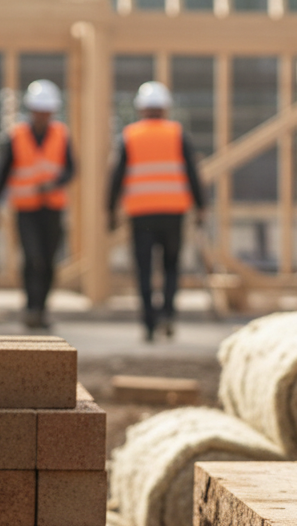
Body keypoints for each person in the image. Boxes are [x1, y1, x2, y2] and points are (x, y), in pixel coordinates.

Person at [107, 81, 206, 343]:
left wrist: (110, 211)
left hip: (141, 214)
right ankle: (168, 315)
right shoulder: (177, 133)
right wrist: (201, 206)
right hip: (173, 211)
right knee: (171, 266)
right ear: (165, 108)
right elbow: (192, 173)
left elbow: (116, 177)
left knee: (144, 269)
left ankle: (149, 324)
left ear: (141, 109)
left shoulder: (129, 136)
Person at [0, 79, 74, 330]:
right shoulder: (16, 137)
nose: (42, 116)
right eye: (38, 111)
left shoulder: (61, 135)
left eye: (46, 112)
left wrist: (56, 182)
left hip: (53, 208)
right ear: (31, 111)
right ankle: (31, 307)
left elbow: (71, 169)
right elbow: (2, 173)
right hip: (26, 208)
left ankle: (42, 308)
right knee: (32, 257)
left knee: (48, 260)